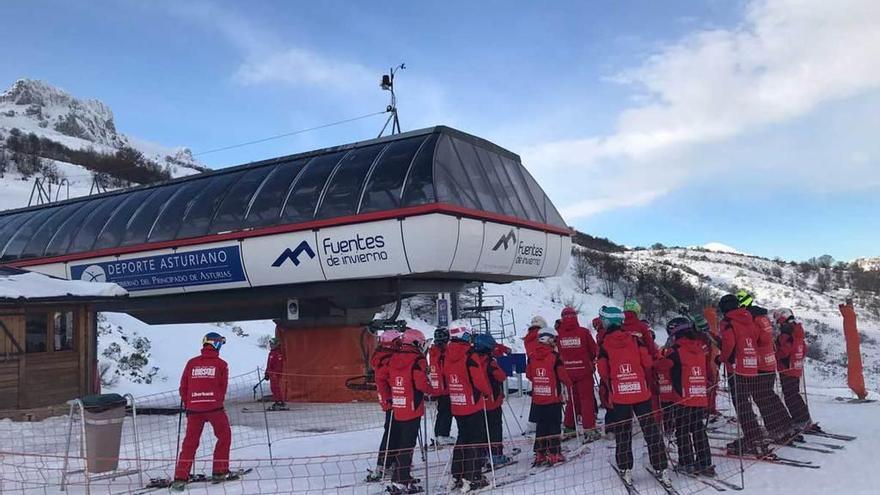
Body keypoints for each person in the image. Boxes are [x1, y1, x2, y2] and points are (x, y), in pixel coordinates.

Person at [598, 306, 671, 488]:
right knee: (651, 430)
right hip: (641, 392)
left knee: (623, 433)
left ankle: (625, 468)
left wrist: (611, 386)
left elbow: (603, 371)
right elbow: (647, 362)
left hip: (621, 394)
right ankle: (661, 467)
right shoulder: (635, 340)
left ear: (607, 322)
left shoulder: (604, 344)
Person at [171, 333, 233, 492]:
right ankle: (219, 470)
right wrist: (215, 400)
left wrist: (189, 403)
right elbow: (222, 387)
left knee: (189, 443)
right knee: (224, 436)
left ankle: (180, 477)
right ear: (217, 345)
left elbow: (183, 387)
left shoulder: (191, 363)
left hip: (194, 409)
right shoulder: (221, 364)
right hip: (214, 408)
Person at [375, 328, 433, 495]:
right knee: (406, 443)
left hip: (399, 405)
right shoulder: (416, 360)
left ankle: (400, 474)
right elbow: (420, 384)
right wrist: (432, 390)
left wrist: (389, 396)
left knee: (400, 440)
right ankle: (400, 478)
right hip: (411, 406)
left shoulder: (393, 359)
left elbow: (384, 377)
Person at [736, 290, 795, 443]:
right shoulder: (763, 317)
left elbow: (755, 339)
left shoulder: (752, 319)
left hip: (760, 363)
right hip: (769, 361)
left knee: (761, 397)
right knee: (770, 395)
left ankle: (776, 429)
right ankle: (786, 425)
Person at [718, 294, 769, 455]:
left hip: (736, 367)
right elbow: (756, 338)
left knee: (741, 405)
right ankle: (756, 436)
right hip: (751, 365)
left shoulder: (727, 322)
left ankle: (753, 438)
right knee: (747, 403)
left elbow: (729, 344)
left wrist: (722, 358)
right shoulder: (749, 319)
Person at [443, 325, 492, 492]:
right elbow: (478, 379)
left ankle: (457, 474)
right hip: (472, 403)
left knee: (462, 438)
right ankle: (473, 477)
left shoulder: (447, 354)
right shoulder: (469, 355)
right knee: (475, 440)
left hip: (457, 403)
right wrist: (487, 392)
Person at [665, 319, 715, 476]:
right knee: (698, 428)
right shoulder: (699, 347)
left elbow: (668, 371)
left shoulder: (675, 350)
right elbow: (707, 370)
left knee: (682, 430)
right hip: (698, 393)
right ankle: (705, 462)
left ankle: (686, 462)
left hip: (682, 396)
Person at [526, 325, 571, 466]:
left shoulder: (532, 356)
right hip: (552, 397)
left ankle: (540, 452)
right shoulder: (554, 357)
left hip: (538, 397)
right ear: (550, 340)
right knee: (554, 425)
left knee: (541, 425)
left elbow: (529, 374)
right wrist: (570, 383)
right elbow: (562, 375)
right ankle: (554, 453)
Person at [556, 306, 601, 442]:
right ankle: (589, 429)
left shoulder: (559, 335)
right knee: (586, 400)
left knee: (572, 400)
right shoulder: (583, 332)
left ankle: (569, 427)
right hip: (584, 370)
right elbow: (594, 350)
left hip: (568, 371)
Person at [366, 330, 401, 483]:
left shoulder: (381, 356)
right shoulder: (389, 359)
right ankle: (384, 463)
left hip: (389, 399)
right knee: (392, 431)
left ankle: (389, 460)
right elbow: (393, 379)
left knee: (393, 430)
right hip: (393, 400)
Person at [473, 333, 511, 467]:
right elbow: (501, 376)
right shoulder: (490, 362)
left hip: (477, 402)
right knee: (494, 428)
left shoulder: (471, 360)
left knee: (481, 429)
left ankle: (482, 455)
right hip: (492, 400)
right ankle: (495, 455)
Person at [773, 308, 814, 430]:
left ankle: (800, 420)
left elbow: (784, 351)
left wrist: (774, 354)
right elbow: (804, 350)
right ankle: (805, 418)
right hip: (796, 366)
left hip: (787, 368)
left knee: (790, 396)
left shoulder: (786, 333)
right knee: (795, 394)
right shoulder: (798, 332)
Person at [428, 327, 455, 447]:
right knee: (446, 412)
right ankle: (443, 435)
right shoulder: (443, 352)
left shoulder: (434, 351)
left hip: (438, 386)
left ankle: (438, 434)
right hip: (446, 387)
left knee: (442, 411)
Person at [264, 337, 286, 410]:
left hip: (275, 374)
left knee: (276, 387)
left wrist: (274, 374)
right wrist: (267, 373)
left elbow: (279, 366)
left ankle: (279, 401)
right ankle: (277, 400)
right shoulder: (272, 353)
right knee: (273, 388)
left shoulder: (277, 354)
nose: (271, 345)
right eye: (270, 344)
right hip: (272, 374)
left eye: (272, 344)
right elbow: (269, 364)